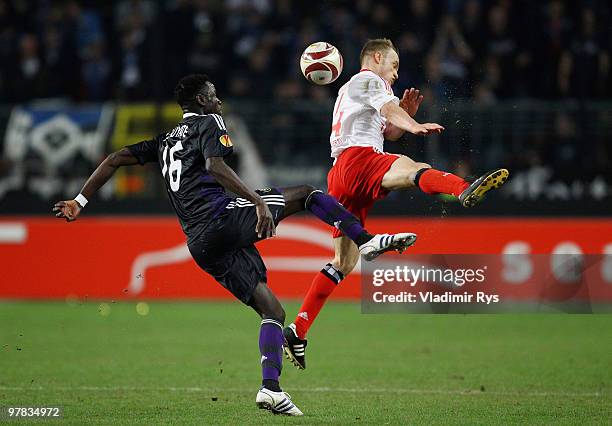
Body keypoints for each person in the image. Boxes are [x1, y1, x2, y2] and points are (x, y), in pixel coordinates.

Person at [52, 73, 417, 416]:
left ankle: (270, 388)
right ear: (200, 100)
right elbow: (214, 166)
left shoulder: (166, 139)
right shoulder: (209, 123)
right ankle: (365, 240)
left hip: (200, 243)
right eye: (213, 95)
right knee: (306, 194)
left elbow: (116, 158)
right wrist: (257, 202)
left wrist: (78, 201)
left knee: (273, 310)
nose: (219, 100)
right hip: (222, 217)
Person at [284, 39, 508, 369]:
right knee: (413, 168)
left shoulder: (351, 89)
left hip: (341, 175)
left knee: (343, 262)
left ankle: (297, 331)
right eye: (394, 64)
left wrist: (404, 118)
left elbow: (384, 128)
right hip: (359, 160)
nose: (395, 72)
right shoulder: (369, 79)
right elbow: (389, 112)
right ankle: (462, 189)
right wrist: (413, 124)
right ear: (377, 58)